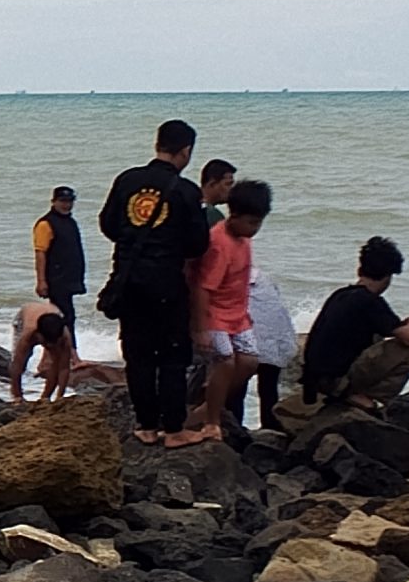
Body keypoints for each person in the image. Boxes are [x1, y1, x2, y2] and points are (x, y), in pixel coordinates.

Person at [98, 119, 210, 444]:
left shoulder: (127, 180)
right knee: (173, 357)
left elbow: (108, 225)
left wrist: (135, 240)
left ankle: (146, 426)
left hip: (128, 281)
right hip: (166, 284)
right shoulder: (187, 191)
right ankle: (174, 430)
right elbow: (198, 245)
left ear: (157, 144)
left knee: (138, 356)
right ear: (186, 151)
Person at [293, 236, 409, 417]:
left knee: (378, 336)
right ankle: (373, 398)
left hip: (316, 379)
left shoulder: (340, 295)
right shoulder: (370, 301)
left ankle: (350, 392)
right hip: (336, 382)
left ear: (360, 269)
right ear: (388, 276)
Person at [188, 180, 272, 444]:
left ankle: (209, 402)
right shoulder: (219, 243)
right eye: (251, 222)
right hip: (214, 315)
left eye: (259, 223)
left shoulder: (243, 240)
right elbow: (203, 288)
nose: (255, 229)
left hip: (237, 314)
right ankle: (211, 421)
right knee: (225, 360)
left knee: (249, 361)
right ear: (233, 215)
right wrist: (200, 328)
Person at [235, 266, 298, 432]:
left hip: (245, 344)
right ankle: (270, 428)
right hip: (274, 341)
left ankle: (236, 428)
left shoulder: (228, 280)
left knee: (237, 388)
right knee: (268, 388)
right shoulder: (263, 278)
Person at [32, 185, 86, 331]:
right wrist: (41, 281)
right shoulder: (45, 224)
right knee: (64, 316)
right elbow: (40, 253)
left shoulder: (70, 222)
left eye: (70, 201)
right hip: (56, 278)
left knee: (67, 315)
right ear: (53, 201)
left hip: (70, 277)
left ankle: (62, 344)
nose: (66, 205)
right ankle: (66, 345)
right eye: (62, 201)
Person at [9, 301, 75, 404]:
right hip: (25, 315)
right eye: (46, 343)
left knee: (53, 362)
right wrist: (18, 397)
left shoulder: (64, 337)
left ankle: (46, 396)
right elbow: (17, 364)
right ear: (38, 334)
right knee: (22, 360)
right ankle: (16, 394)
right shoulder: (29, 332)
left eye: (53, 343)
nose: (49, 346)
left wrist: (59, 396)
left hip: (53, 316)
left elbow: (64, 368)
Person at [200, 159, 238, 226]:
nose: (232, 189)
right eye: (228, 184)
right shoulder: (212, 215)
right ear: (212, 184)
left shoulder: (189, 202)